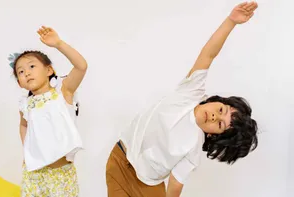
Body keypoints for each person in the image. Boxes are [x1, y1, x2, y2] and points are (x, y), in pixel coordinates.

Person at [105, 2, 259, 196]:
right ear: (217, 101)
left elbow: (175, 187)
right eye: (220, 110)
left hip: (148, 184)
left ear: (212, 135)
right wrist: (231, 21)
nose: (213, 117)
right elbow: (208, 54)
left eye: (220, 125)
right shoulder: (191, 92)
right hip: (121, 158)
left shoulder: (192, 149)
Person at [9, 26, 88, 197]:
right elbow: (23, 125)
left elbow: (81, 66)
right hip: (33, 174)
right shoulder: (26, 104)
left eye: (31, 66)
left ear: (49, 70)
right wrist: (28, 149)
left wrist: (58, 44)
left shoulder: (62, 91)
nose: (27, 73)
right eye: (20, 72)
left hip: (60, 173)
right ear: (20, 83)